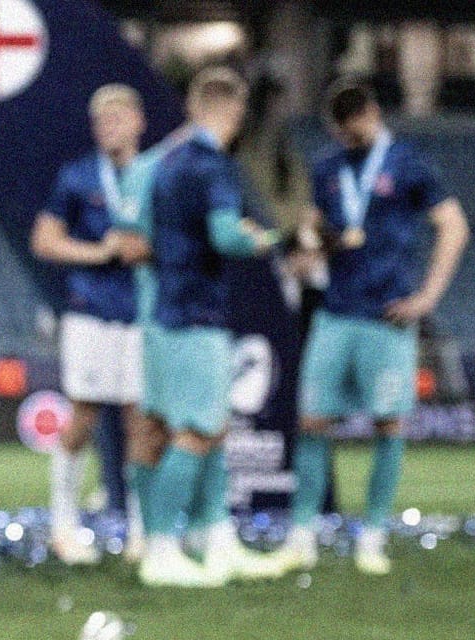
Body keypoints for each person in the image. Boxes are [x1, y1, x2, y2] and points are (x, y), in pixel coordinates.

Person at [273, 81, 468, 577]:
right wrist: (308, 250)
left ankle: (373, 536)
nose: (346, 136)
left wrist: (428, 297)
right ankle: (301, 538)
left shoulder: (407, 163)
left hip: (388, 314)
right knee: (313, 421)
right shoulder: (327, 166)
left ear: (371, 113)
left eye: (352, 126)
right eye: (339, 129)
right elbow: (319, 228)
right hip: (336, 311)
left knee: (389, 424)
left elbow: (454, 225)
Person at [134, 68, 284, 588]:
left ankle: (215, 538)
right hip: (198, 313)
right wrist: (266, 238)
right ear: (235, 111)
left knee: (204, 431)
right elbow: (226, 237)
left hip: (167, 307)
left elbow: (147, 237)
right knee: (196, 433)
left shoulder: (165, 163)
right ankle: (161, 550)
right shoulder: (212, 166)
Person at [30, 83, 151, 565]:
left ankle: (143, 530)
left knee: (140, 422)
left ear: (139, 121)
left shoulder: (153, 176)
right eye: (102, 120)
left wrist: (147, 251)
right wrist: (99, 252)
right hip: (90, 311)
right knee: (82, 417)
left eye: (118, 117)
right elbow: (44, 240)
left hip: (140, 312)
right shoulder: (78, 177)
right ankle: (64, 527)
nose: (110, 127)